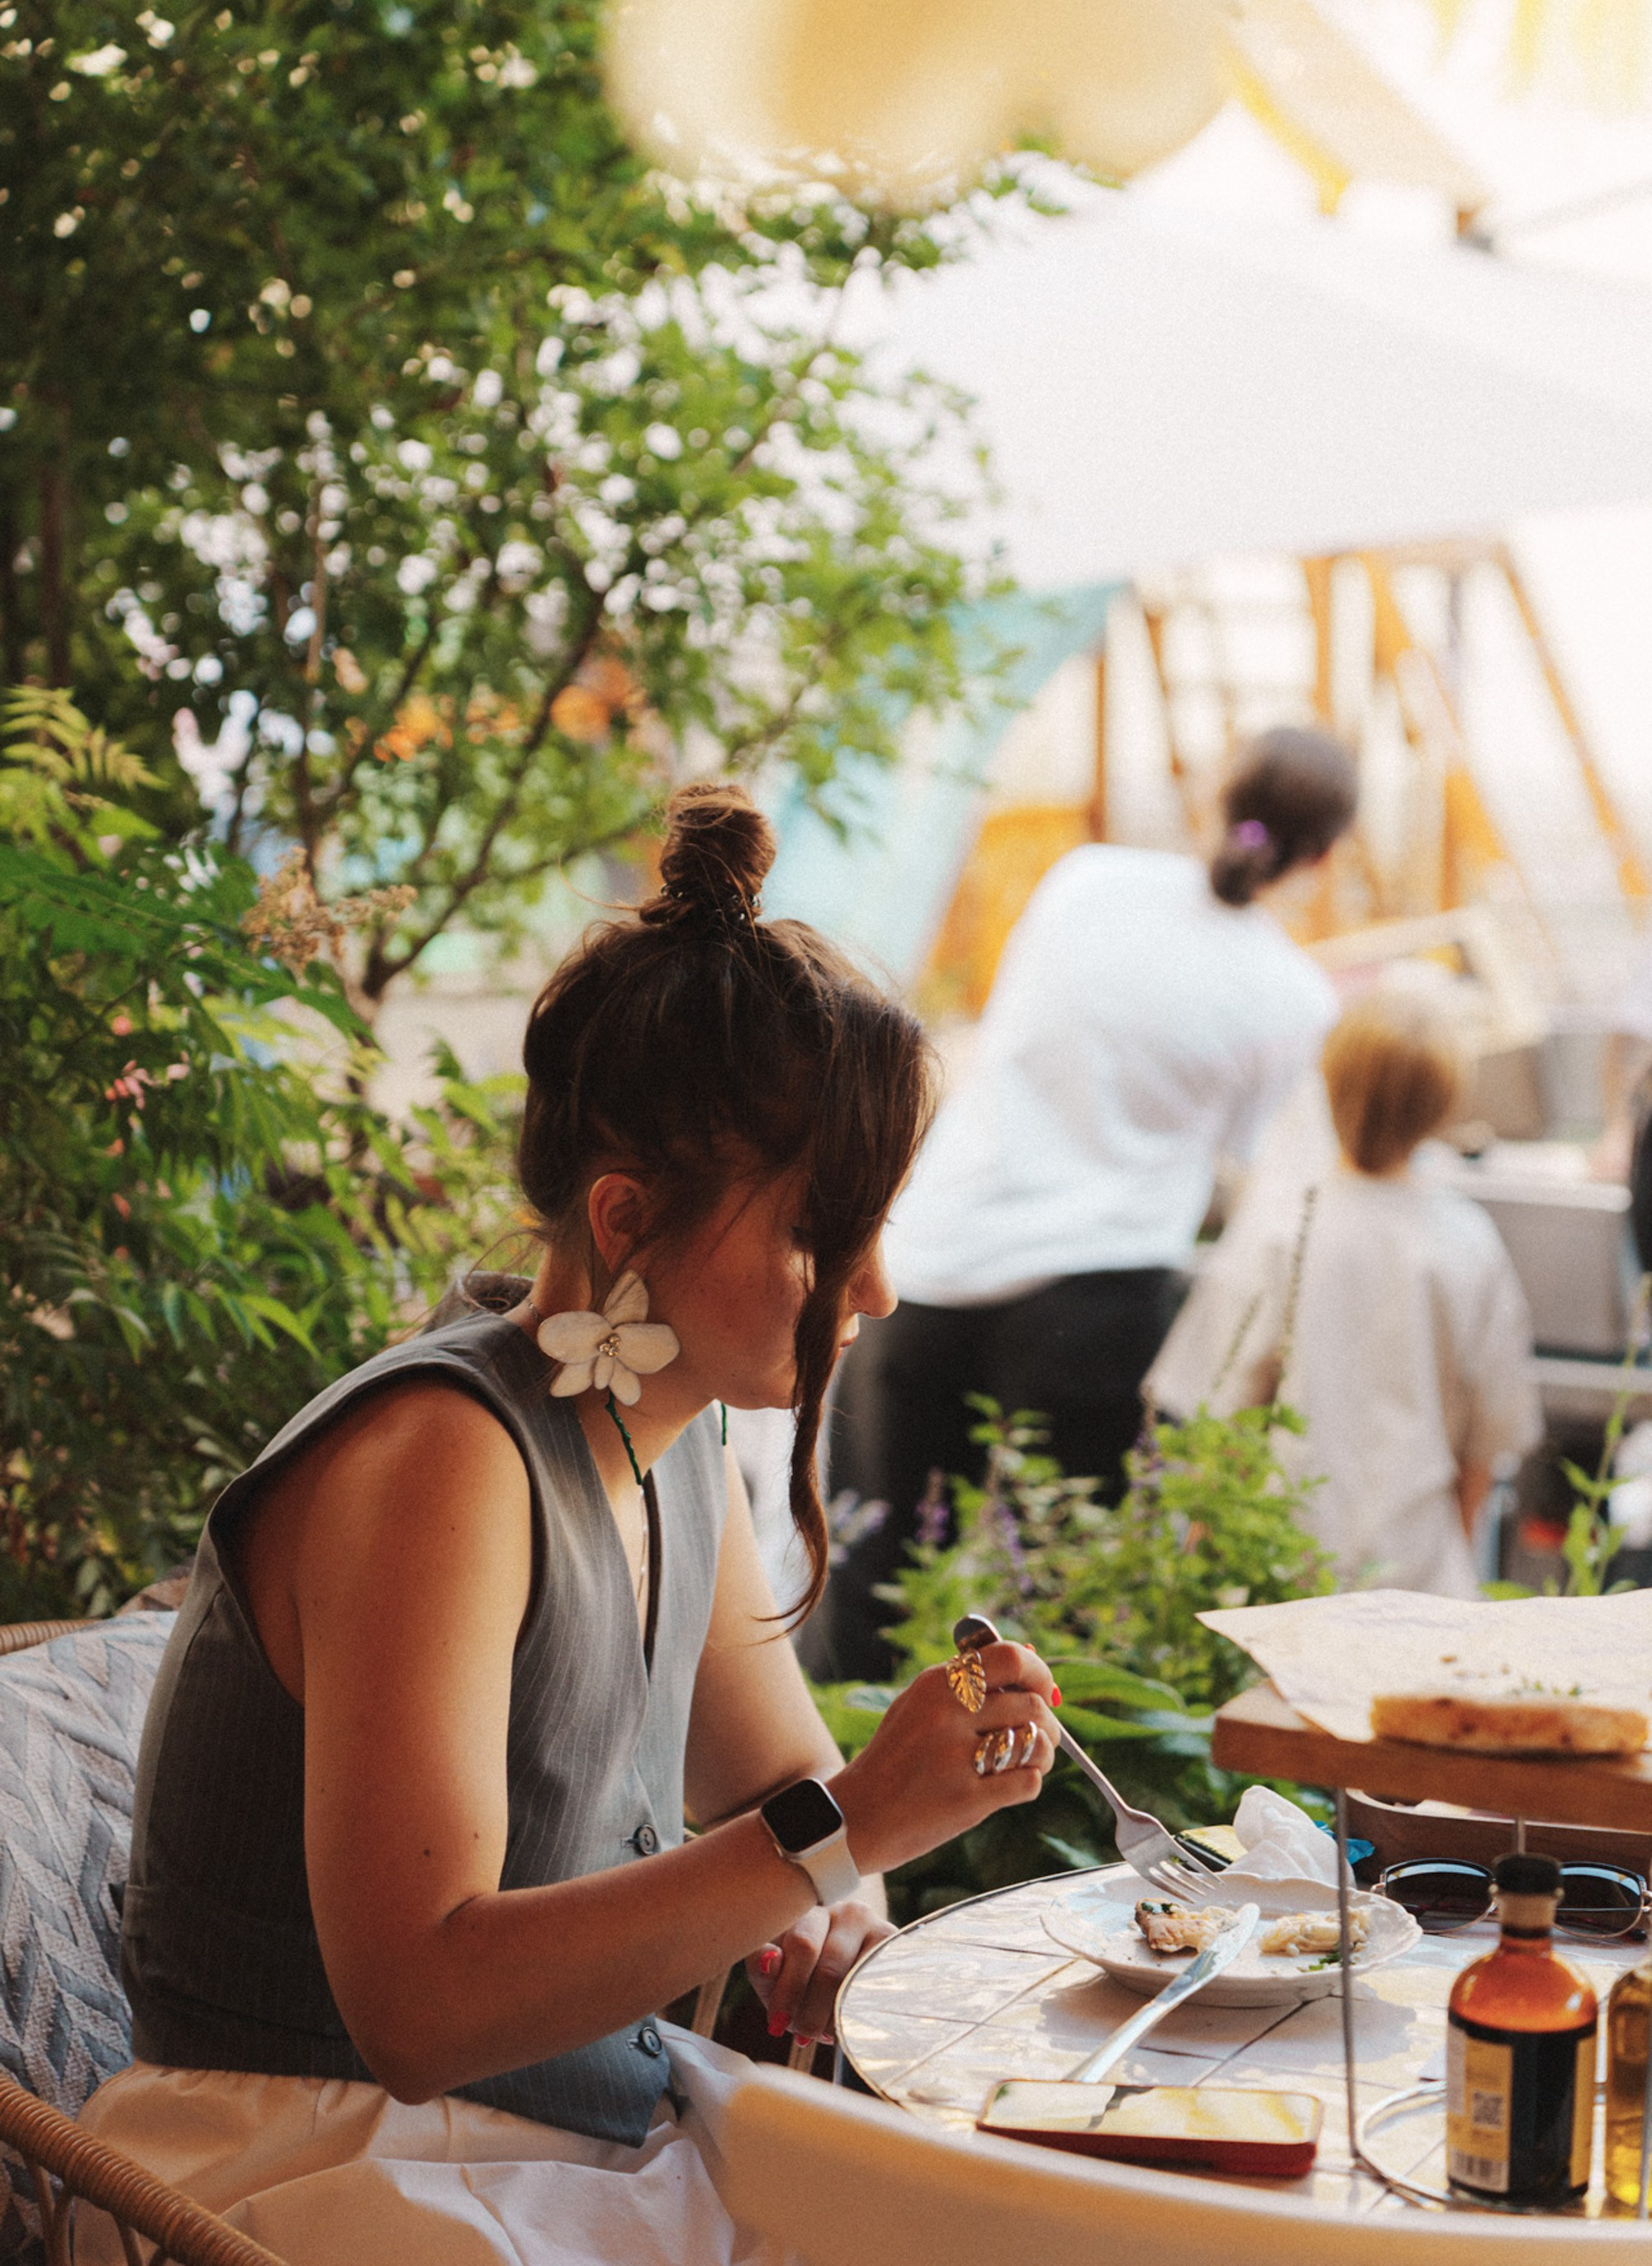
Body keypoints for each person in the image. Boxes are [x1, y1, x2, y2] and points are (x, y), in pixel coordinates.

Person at [77, 786, 1061, 2266]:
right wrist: (849, 1828)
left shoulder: (672, 1432)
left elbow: (776, 1778)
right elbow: (421, 2009)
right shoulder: (443, 1461)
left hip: (553, 2147)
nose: (876, 1295)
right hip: (321, 2172)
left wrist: (836, 1887)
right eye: (823, 1234)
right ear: (622, 1218)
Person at [826, 724, 1356, 1678]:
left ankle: (836, 1796)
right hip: (1093, 1301)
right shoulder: (1291, 996)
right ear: (1322, 854)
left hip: (930, 1261)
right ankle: (1032, 1812)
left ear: (1216, 800)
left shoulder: (1083, 883)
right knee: (1059, 1597)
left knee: (876, 1563)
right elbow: (1233, 1165)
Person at [1147, 988, 1541, 1597]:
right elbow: (1488, 1443)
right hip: (1420, 1580)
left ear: (1329, 1084)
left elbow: (1222, 1427)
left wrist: (1198, 1574)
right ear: (1445, 1104)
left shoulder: (1279, 1230)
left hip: (1283, 1577)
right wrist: (1459, 1571)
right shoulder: (1467, 1242)